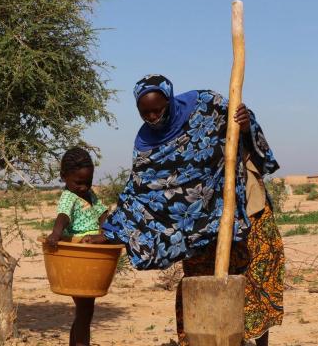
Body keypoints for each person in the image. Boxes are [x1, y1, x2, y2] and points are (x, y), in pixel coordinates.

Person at [84, 74, 284, 346]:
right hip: (198, 229)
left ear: (170, 99)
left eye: (158, 109)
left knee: (256, 282)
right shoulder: (146, 144)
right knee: (201, 293)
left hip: (247, 209)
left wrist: (246, 125)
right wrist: (111, 233)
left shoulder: (207, 105)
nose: (153, 117)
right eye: (145, 113)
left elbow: (247, 134)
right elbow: (141, 194)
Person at [47, 146, 108, 346]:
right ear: (64, 177)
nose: (83, 187)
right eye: (78, 182)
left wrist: (108, 231)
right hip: (78, 257)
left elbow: (102, 214)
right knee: (85, 309)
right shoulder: (69, 197)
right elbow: (63, 216)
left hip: (92, 256)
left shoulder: (90, 195)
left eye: (88, 182)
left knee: (85, 310)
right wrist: (56, 234)